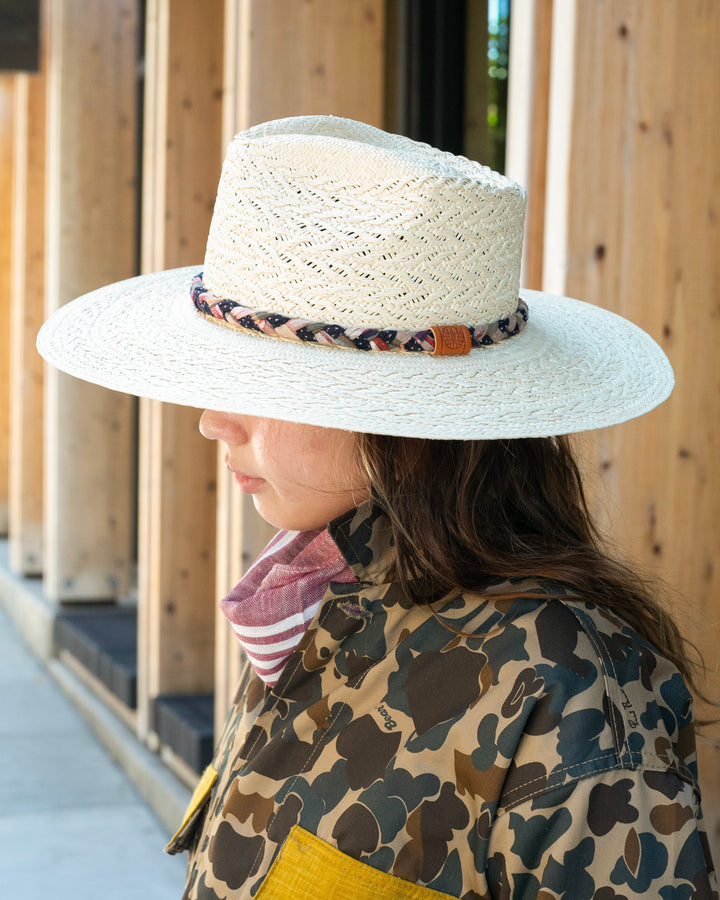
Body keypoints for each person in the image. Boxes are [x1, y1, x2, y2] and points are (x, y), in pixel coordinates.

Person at [38, 116, 717, 899]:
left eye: (261, 383)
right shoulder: (325, 602)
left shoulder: (561, 683)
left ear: (403, 424)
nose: (211, 421)